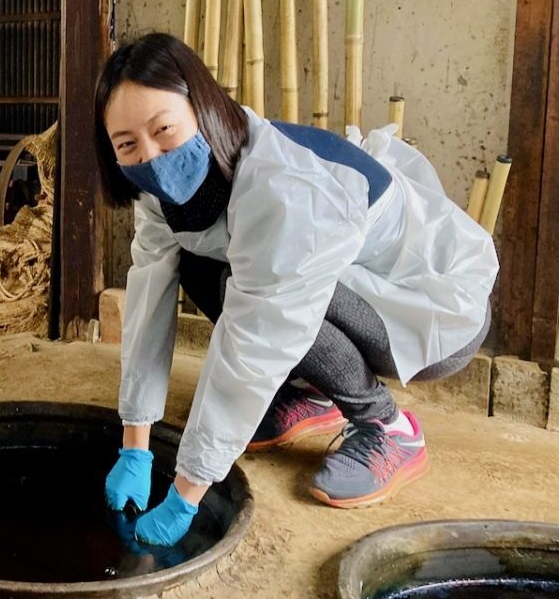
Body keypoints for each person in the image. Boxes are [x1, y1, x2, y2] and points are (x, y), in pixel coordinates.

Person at [95, 33, 497, 547]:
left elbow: (260, 338)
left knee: (276, 293)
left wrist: (186, 492)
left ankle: (389, 429)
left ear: (202, 107)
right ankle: (309, 395)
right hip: (352, 290)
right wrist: (135, 443)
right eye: (128, 143)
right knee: (198, 265)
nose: (151, 155)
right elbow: (150, 295)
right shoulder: (160, 184)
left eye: (164, 129)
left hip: (433, 311)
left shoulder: (284, 187)